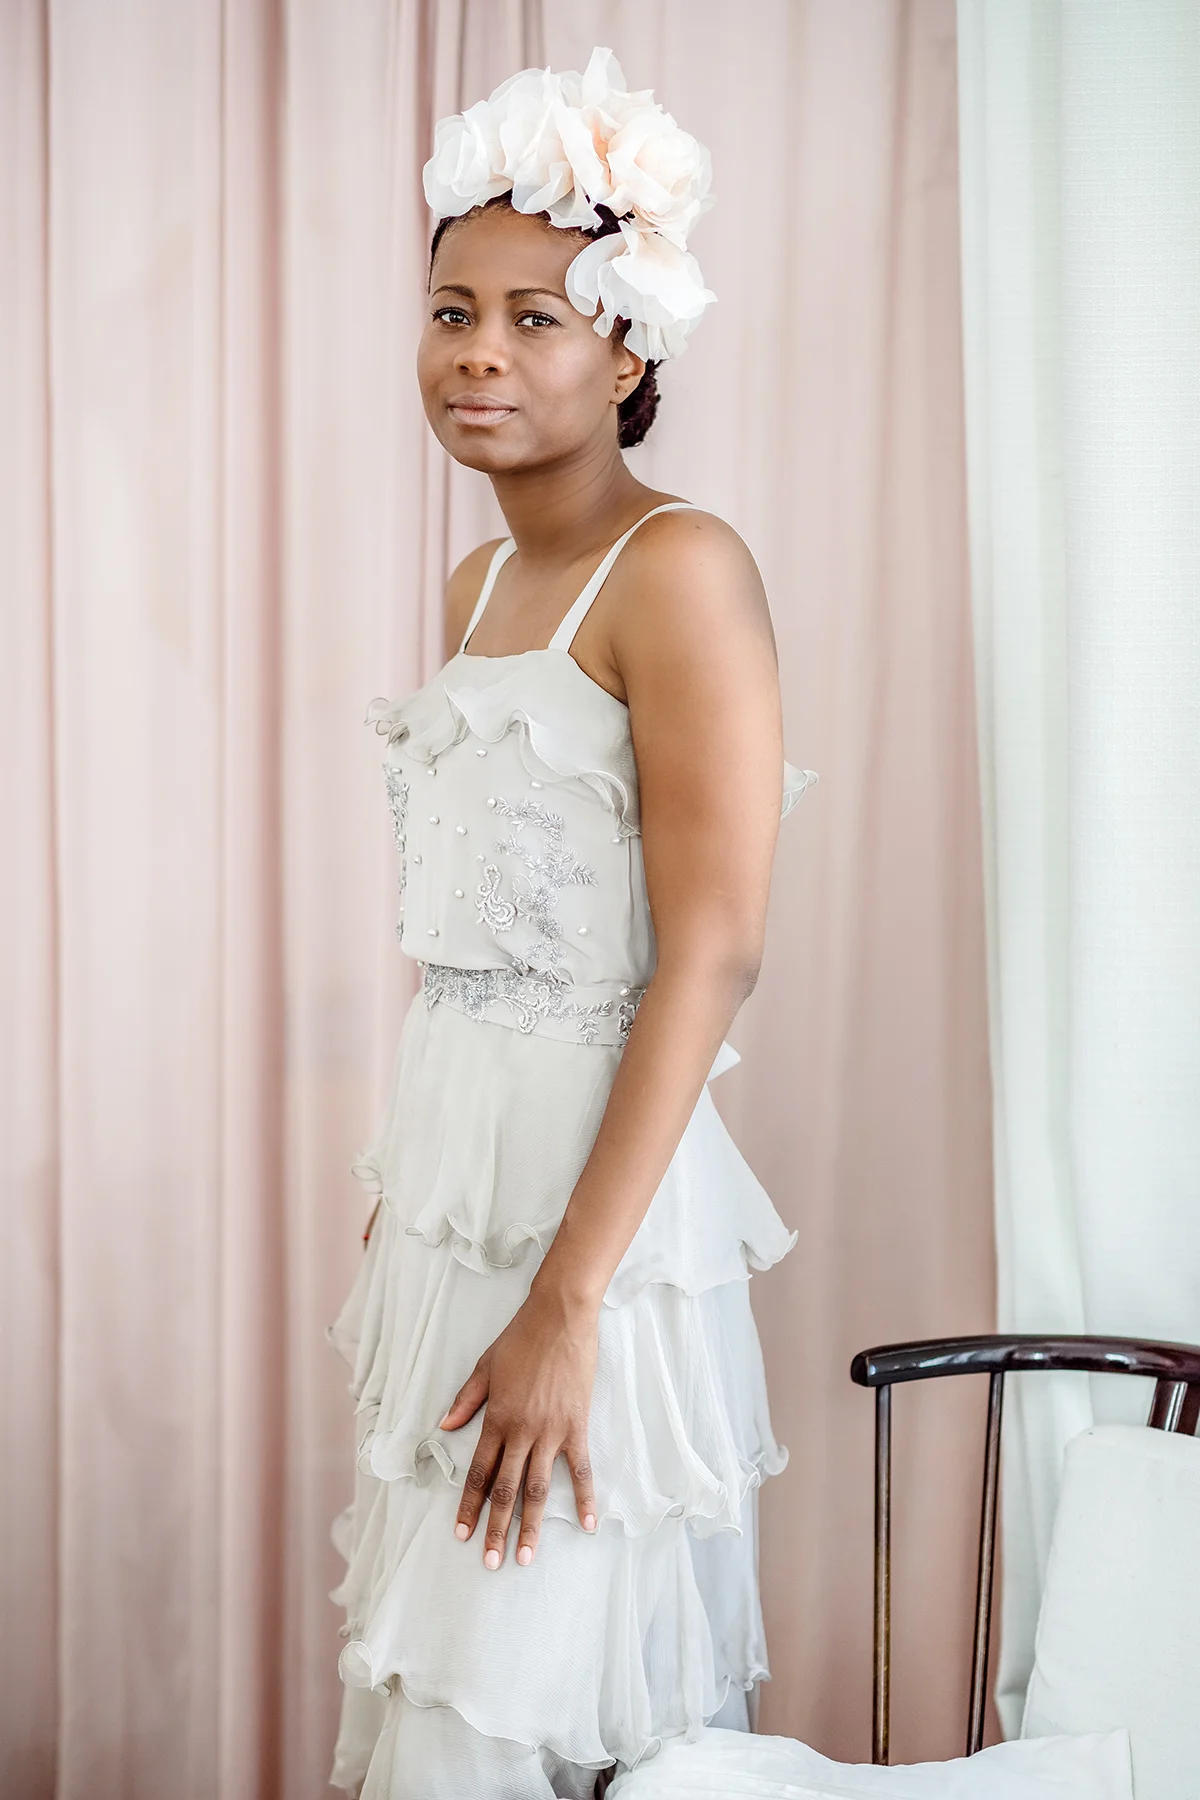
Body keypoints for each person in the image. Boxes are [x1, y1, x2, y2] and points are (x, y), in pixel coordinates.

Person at [326, 48, 816, 1800]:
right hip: (457, 1197)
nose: (479, 352)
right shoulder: (478, 584)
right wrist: (423, 1215)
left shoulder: (682, 570)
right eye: (452, 312)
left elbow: (715, 948)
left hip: (592, 1224)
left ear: (628, 351)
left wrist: (568, 1300)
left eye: (535, 318)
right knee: (438, 1679)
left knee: (508, 1691)